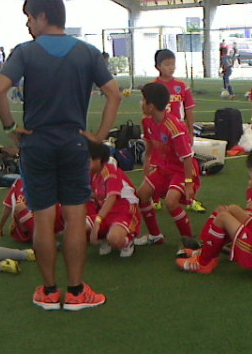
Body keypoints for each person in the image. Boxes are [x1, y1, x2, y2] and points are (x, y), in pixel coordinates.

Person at [0, 0, 122, 311]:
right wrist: (99, 136)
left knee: (44, 219)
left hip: (36, 145)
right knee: (76, 219)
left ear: (43, 16)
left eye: (29, 18)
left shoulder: (25, 51)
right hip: (74, 144)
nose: (27, 24)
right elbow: (114, 94)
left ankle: (49, 292)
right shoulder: (88, 52)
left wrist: (10, 128)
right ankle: (76, 292)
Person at [175, 145, 252, 288]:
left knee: (222, 217)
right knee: (231, 209)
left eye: (251, 171)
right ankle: (207, 252)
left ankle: (203, 263)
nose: (250, 174)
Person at [133, 82, 201, 253]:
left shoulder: (174, 126)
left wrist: (188, 183)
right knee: (142, 195)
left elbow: (187, 157)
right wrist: (148, 163)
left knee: (171, 202)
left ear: (151, 105)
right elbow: (150, 145)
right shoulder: (147, 121)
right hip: (164, 168)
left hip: (182, 169)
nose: (141, 103)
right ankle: (155, 236)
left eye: (143, 100)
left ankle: (189, 243)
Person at [152, 48, 205, 213]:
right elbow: (149, 111)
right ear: (158, 66)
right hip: (161, 133)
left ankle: (191, 198)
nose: (171, 67)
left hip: (179, 133)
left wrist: (191, 132)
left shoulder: (182, 86)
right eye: (166, 64)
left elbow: (189, 111)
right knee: (158, 163)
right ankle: (155, 198)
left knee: (187, 165)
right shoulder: (154, 86)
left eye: (173, 64)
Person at [87, 141, 141, 258]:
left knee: (115, 239)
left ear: (98, 159)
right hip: (106, 211)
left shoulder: (110, 171)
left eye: (88, 159)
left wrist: (97, 222)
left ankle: (127, 241)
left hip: (124, 209)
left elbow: (112, 198)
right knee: (76, 226)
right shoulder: (92, 173)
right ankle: (104, 237)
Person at [0, 177, 65, 243]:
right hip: (25, 227)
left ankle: (53, 234)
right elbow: (8, 207)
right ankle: (46, 239)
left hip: (45, 220)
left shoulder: (47, 181)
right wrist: (0, 228)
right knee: (20, 207)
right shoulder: (19, 182)